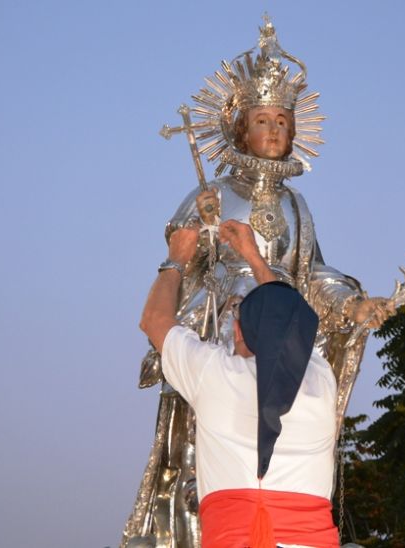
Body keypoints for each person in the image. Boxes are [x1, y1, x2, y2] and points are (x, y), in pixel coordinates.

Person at [121, 18, 393, 548]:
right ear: (239, 128)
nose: (273, 131)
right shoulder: (216, 191)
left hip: (273, 334)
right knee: (200, 450)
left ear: (294, 131)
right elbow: (184, 252)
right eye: (261, 119)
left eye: (282, 121)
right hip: (221, 330)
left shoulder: (297, 204)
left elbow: (311, 275)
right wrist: (201, 232)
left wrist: (350, 303)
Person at [140, 219, 339, 548]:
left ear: (237, 332)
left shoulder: (215, 374)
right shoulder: (320, 379)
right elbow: (289, 321)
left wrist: (176, 258)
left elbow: (154, 320)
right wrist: (255, 258)